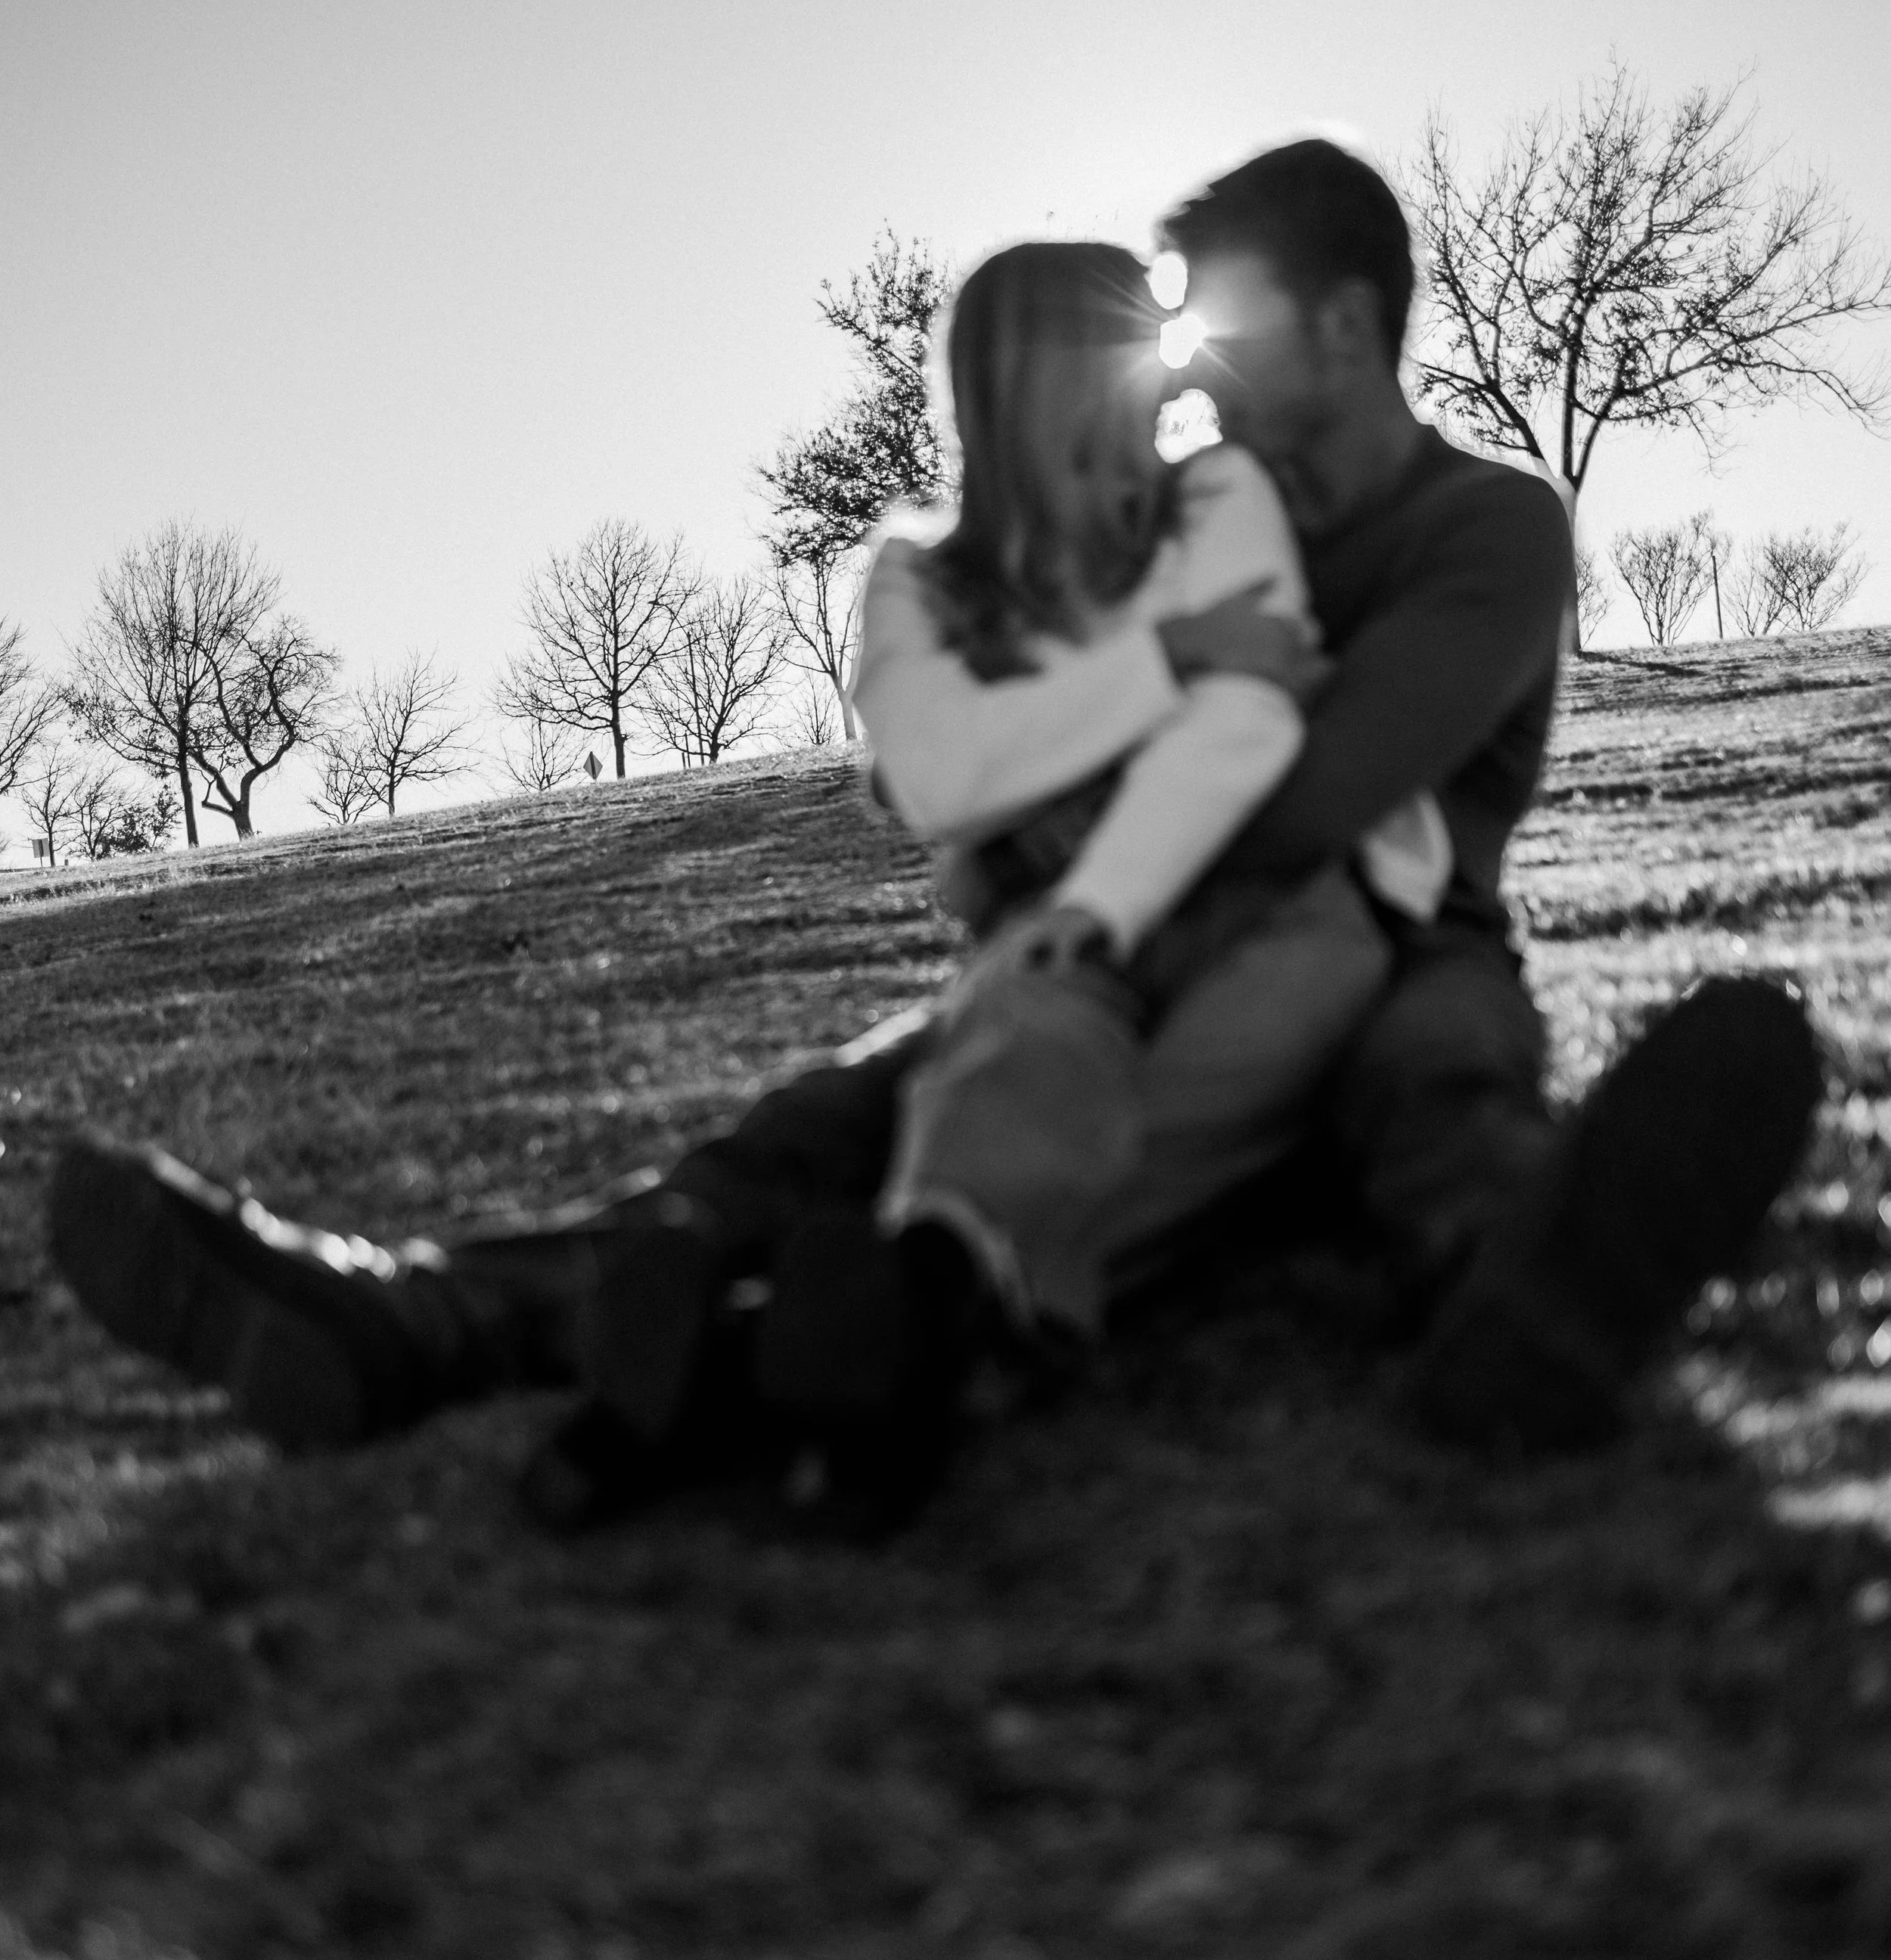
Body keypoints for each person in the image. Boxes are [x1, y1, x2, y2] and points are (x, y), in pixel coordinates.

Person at [48, 139, 1821, 1527]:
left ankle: (1512, 1303)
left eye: (1223, 324)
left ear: (1346, 330)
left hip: (1381, 937)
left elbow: (1318, 785)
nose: (1189, 368)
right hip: (1106, 942)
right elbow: (990, 730)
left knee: (1435, 1092)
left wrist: (1027, 834)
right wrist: (1009, 820)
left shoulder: (1484, 525)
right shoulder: (1206, 509)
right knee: (815, 1132)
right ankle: (409, 1319)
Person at [849, 238, 1452, 1354]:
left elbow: (1252, 715)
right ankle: (953, 1316)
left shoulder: (1216, 497)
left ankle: (918, 1305)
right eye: (1124, 355)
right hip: (1053, 924)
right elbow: (940, 774)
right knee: (1027, 1047)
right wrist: (1172, 654)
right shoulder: (914, 579)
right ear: (1025, 383)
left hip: (1276, 901)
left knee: (1194, 1097)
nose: (1165, 383)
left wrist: (1105, 899)